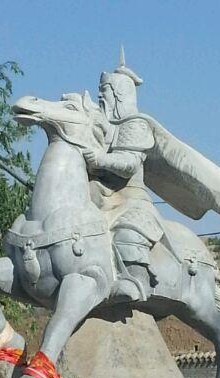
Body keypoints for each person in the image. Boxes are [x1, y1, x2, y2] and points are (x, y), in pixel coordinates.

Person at [82, 49, 164, 301]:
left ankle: (136, 281)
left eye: (105, 91)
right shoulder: (99, 126)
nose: (100, 95)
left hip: (131, 199)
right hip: (99, 197)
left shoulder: (135, 124)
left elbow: (129, 163)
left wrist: (100, 159)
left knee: (128, 231)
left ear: (119, 94)